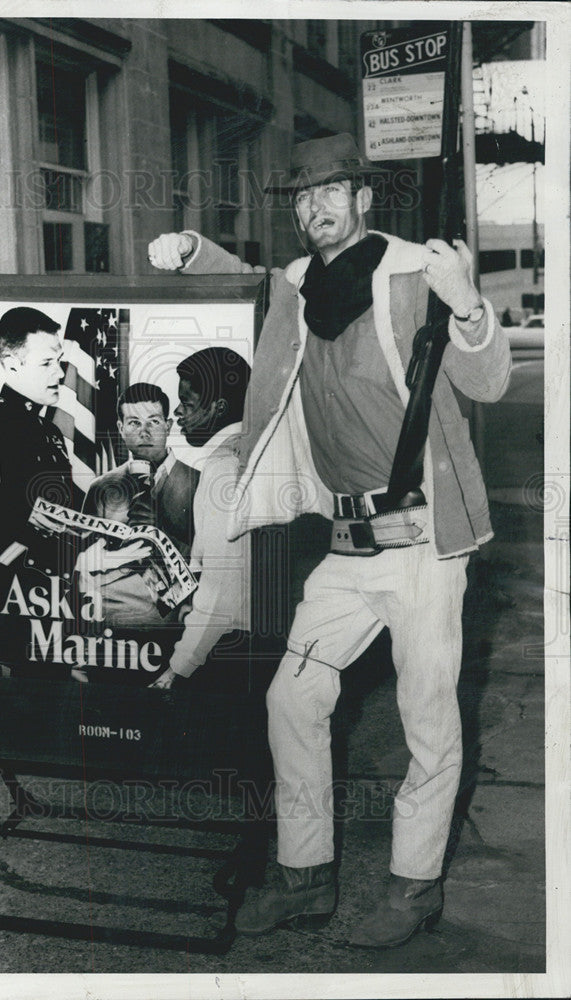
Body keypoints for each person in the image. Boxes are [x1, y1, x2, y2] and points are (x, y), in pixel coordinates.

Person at [147, 132, 511, 946]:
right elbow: (242, 276)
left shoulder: (419, 270)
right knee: (292, 698)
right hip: (345, 548)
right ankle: (304, 875)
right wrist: (189, 249)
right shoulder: (297, 285)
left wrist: (468, 305)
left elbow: (488, 381)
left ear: (363, 197)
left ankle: (413, 889)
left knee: (427, 719)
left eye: (328, 191)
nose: (313, 207)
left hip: (422, 543)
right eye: (301, 197)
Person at [148, 346, 253, 692]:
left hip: (229, 651)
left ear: (218, 408)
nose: (177, 412)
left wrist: (178, 668)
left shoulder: (224, 468)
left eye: (188, 404)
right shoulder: (248, 452)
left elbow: (222, 588)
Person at [0, 306, 74, 674]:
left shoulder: (48, 431)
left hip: (54, 594)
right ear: (12, 364)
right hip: (14, 596)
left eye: (60, 361)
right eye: (47, 363)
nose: (60, 372)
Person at [81, 382, 199, 627]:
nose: (144, 432)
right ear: (121, 429)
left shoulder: (200, 483)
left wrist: (163, 530)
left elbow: (216, 565)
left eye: (153, 422)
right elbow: (81, 564)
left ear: (168, 426)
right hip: (110, 631)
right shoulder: (101, 488)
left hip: (177, 630)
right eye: (134, 423)